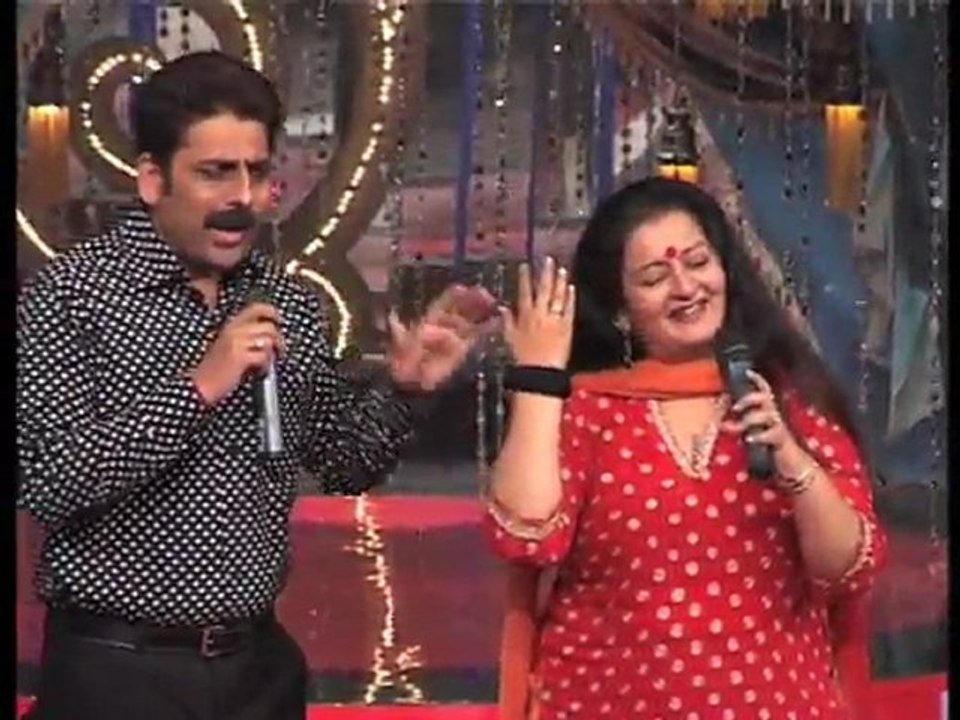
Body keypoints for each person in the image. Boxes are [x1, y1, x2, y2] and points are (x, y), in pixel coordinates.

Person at [17, 51, 495, 720]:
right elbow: (48, 481)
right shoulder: (72, 296)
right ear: (153, 178)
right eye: (215, 172)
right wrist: (198, 388)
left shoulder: (286, 300)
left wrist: (407, 388)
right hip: (119, 672)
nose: (242, 197)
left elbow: (343, 463)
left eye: (257, 171)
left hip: (257, 672)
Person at [486, 177, 887, 719]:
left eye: (698, 263)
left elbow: (849, 571)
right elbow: (527, 537)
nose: (685, 287)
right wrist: (539, 378)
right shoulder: (591, 411)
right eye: (655, 277)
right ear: (622, 309)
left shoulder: (786, 401)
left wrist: (793, 462)